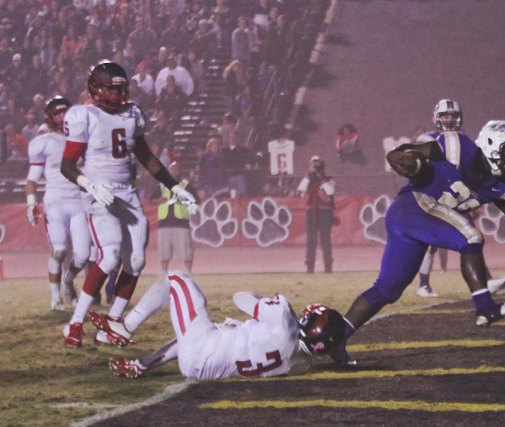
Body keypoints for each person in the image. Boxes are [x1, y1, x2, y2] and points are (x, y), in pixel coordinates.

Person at [329, 120, 505, 366]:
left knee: (387, 289)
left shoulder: (496, 183)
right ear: (491, 144)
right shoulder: (457, 147)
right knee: (470, 237)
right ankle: (484, 306)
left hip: (413, 221)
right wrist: (404, 159)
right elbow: (404, 153)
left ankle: (337, 339)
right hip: (414, 206)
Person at [60, 61, 198, 348]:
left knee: (136, 261)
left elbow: (146, 156)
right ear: (96, 89)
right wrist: (89, 184)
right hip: (100, 193)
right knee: (110, 256)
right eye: (111, 89)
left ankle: (112, 322)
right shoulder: (85, 115)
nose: (118, 95)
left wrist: (174, 187)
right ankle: (75, 322)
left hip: (128, 194)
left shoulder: (132, 113)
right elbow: (67, 165)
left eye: (121, 89)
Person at [87, 272, 345, 379]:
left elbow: (239, 298)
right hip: (204, 370)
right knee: (208, 335)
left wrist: (262, 299)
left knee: (175, 278)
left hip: (204, 348)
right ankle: (141, 365)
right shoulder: (301, 364)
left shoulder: (282, 317)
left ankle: (125, 327)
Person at [416, 99, 505, 298]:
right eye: (445, 115)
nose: (449, 119)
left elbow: (470, 174)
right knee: (430, 245)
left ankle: (487, 281)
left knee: (472, 238)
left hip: (457, 200)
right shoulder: (428, 139)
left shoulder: (465, 141)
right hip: (434, 199)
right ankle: (423, 285)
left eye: (452, 115)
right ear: (437, 117)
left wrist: (474, 197)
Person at [25, 96, 91, 311]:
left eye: (65, 111)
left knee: (83, 254)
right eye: (57, 113)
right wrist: (31, 202)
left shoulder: (82, 139)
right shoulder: (44, 142)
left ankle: (68, 281)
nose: (62, 116)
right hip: (55, 202)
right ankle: (55, 296)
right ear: (50, 117)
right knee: (60, 250)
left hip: (78, 201)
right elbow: (32, 179)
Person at [150, 161, 200, 275]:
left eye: (176, 169)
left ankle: (189, 273)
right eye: (172, 169)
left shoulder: (186, 186)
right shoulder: (162, 186)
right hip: (164, 224)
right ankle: (164, 274)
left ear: (180, 171)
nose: (174, 171)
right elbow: (151, 200)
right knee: (164, 251)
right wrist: (159, 201)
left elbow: (196, 201)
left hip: (181, 223)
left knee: (186, 251)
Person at [296, 155, 336, 274]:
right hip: (311, 211)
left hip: (325, 212)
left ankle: (328, 267)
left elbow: (330, 191)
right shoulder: (309, 180)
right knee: (311, 240)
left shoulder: (329, 180)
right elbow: (301, 189)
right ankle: (310, 267)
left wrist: (321, 179)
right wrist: (309, 175)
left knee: (325, 240)